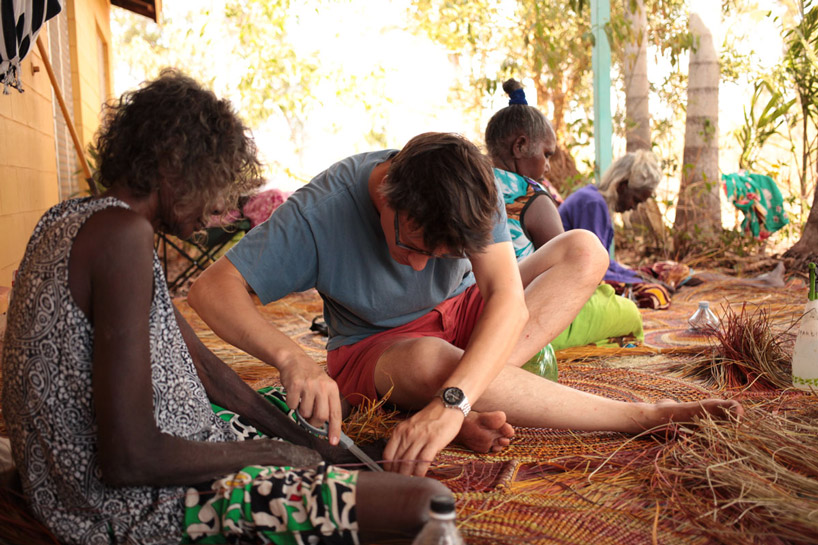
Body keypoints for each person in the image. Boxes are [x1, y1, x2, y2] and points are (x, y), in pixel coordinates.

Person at [1, 70, 448, 545]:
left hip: (98, 484)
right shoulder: (121, 238)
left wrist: (306, 446)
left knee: (313, 427)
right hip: (134, 509)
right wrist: (270, 456)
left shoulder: (71, 220)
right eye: (213, 181)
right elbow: (128, 459)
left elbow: (203, 366)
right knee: (423, 503)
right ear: (172, 164)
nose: (219, 208)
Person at [189, 130, 744, 479]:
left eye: (441, 253)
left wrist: (453, 402)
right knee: (432, 361)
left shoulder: (471, 188)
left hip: (464, 315)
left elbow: (505, 298)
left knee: (584, 250)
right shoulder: (323, 210)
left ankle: (471, 386)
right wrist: (292, 358)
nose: (417, 266)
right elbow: (210, 289)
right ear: (384, 197)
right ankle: (637, 418)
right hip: (378, 347)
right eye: (410, 245)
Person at [486, 78, 644, 350]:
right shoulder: (531, 196)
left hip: (466, 311)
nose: (547, 166)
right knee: (628, 313)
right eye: (546, 154)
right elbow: (570, 275)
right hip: (520, 318)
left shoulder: (468, 183)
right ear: (520, 146)